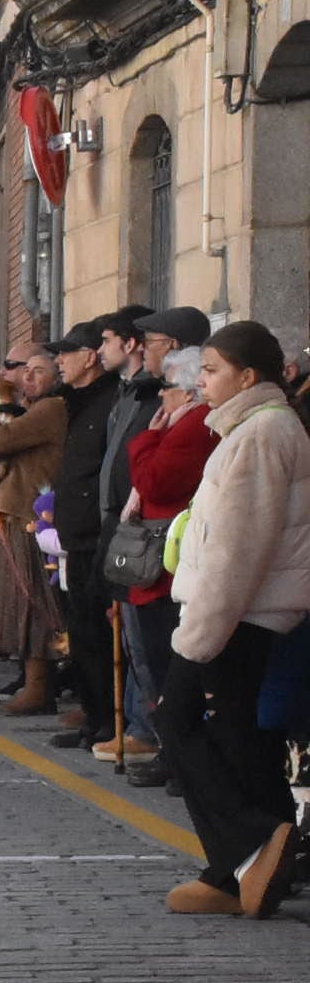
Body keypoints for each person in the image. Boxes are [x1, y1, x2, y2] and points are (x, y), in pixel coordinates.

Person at [157, 321, 310, 917]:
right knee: (237, 736)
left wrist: (201, 632)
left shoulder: (263, 432)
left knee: (179, 722)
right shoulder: (255, 428)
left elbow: (238, 548)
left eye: (213, 369)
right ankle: (241, 872)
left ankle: (252, 840)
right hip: (243, 610)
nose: (202, 380)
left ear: (249, 376)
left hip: (237, 612)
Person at [98, 306, 212, 775]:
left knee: (164, 661)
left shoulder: (190, 425)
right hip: (151, 552)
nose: (161, 394)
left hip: (164, 555)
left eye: (167, 387)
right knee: (149, 656)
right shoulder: (176, 420)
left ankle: (176, 754)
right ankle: (167, 747)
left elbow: (154, 478)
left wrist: (146, 441)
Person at [0, 348, 71, 714]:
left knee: (35, 602)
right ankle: (33, 682)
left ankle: (40, 686)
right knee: (20, 602)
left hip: (34, 518)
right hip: (14, 512)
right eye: (25, 370)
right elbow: (3, 463)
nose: (27, 377)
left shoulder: (51, 409)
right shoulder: (29, 413)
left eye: (38, 370)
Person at [46, 321, 123, 747]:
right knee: (83, 634)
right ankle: (95, 718)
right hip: (73, 536)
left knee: (100, 632)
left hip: (99, 535)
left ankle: (114, 722)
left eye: (67, 352)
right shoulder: (73, 402)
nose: (59, 360)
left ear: (91, 356)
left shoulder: (111, 400)